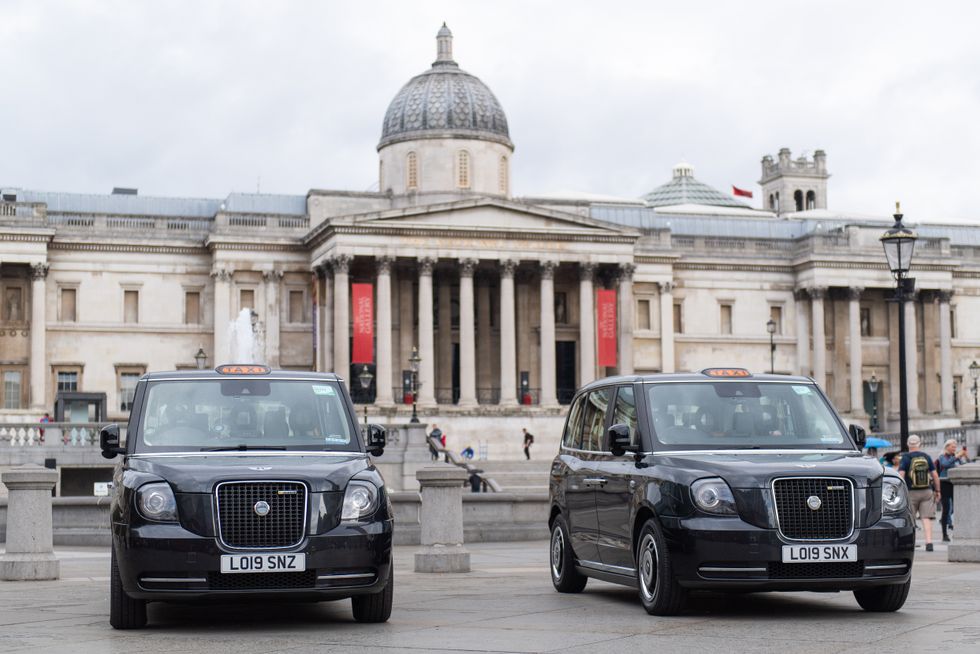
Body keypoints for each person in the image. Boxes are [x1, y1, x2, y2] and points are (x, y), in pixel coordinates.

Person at [899, 434, 941, 552]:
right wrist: (938, 490)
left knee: (910, 518)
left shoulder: (906, 458)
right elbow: (935, 476)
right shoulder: (926, 457)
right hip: (927, 491)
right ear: (919, 444)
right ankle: (929, 543)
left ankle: (910, 543)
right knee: (926, 518)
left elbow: (901, 475)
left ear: (908, 444)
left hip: (911, 492)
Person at [936, 439, 970, 542]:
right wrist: (957, 456)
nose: (954, 449)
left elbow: (965, 465)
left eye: (955, 447)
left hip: (955, 484)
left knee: (958, 508)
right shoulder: (942, 456)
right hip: (945, 484)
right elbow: (945, 464)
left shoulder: (955, 457)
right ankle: (944, 534)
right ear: (947, 447)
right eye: (952, 447)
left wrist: (965, 456)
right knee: (946, 510)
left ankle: (958, 531)